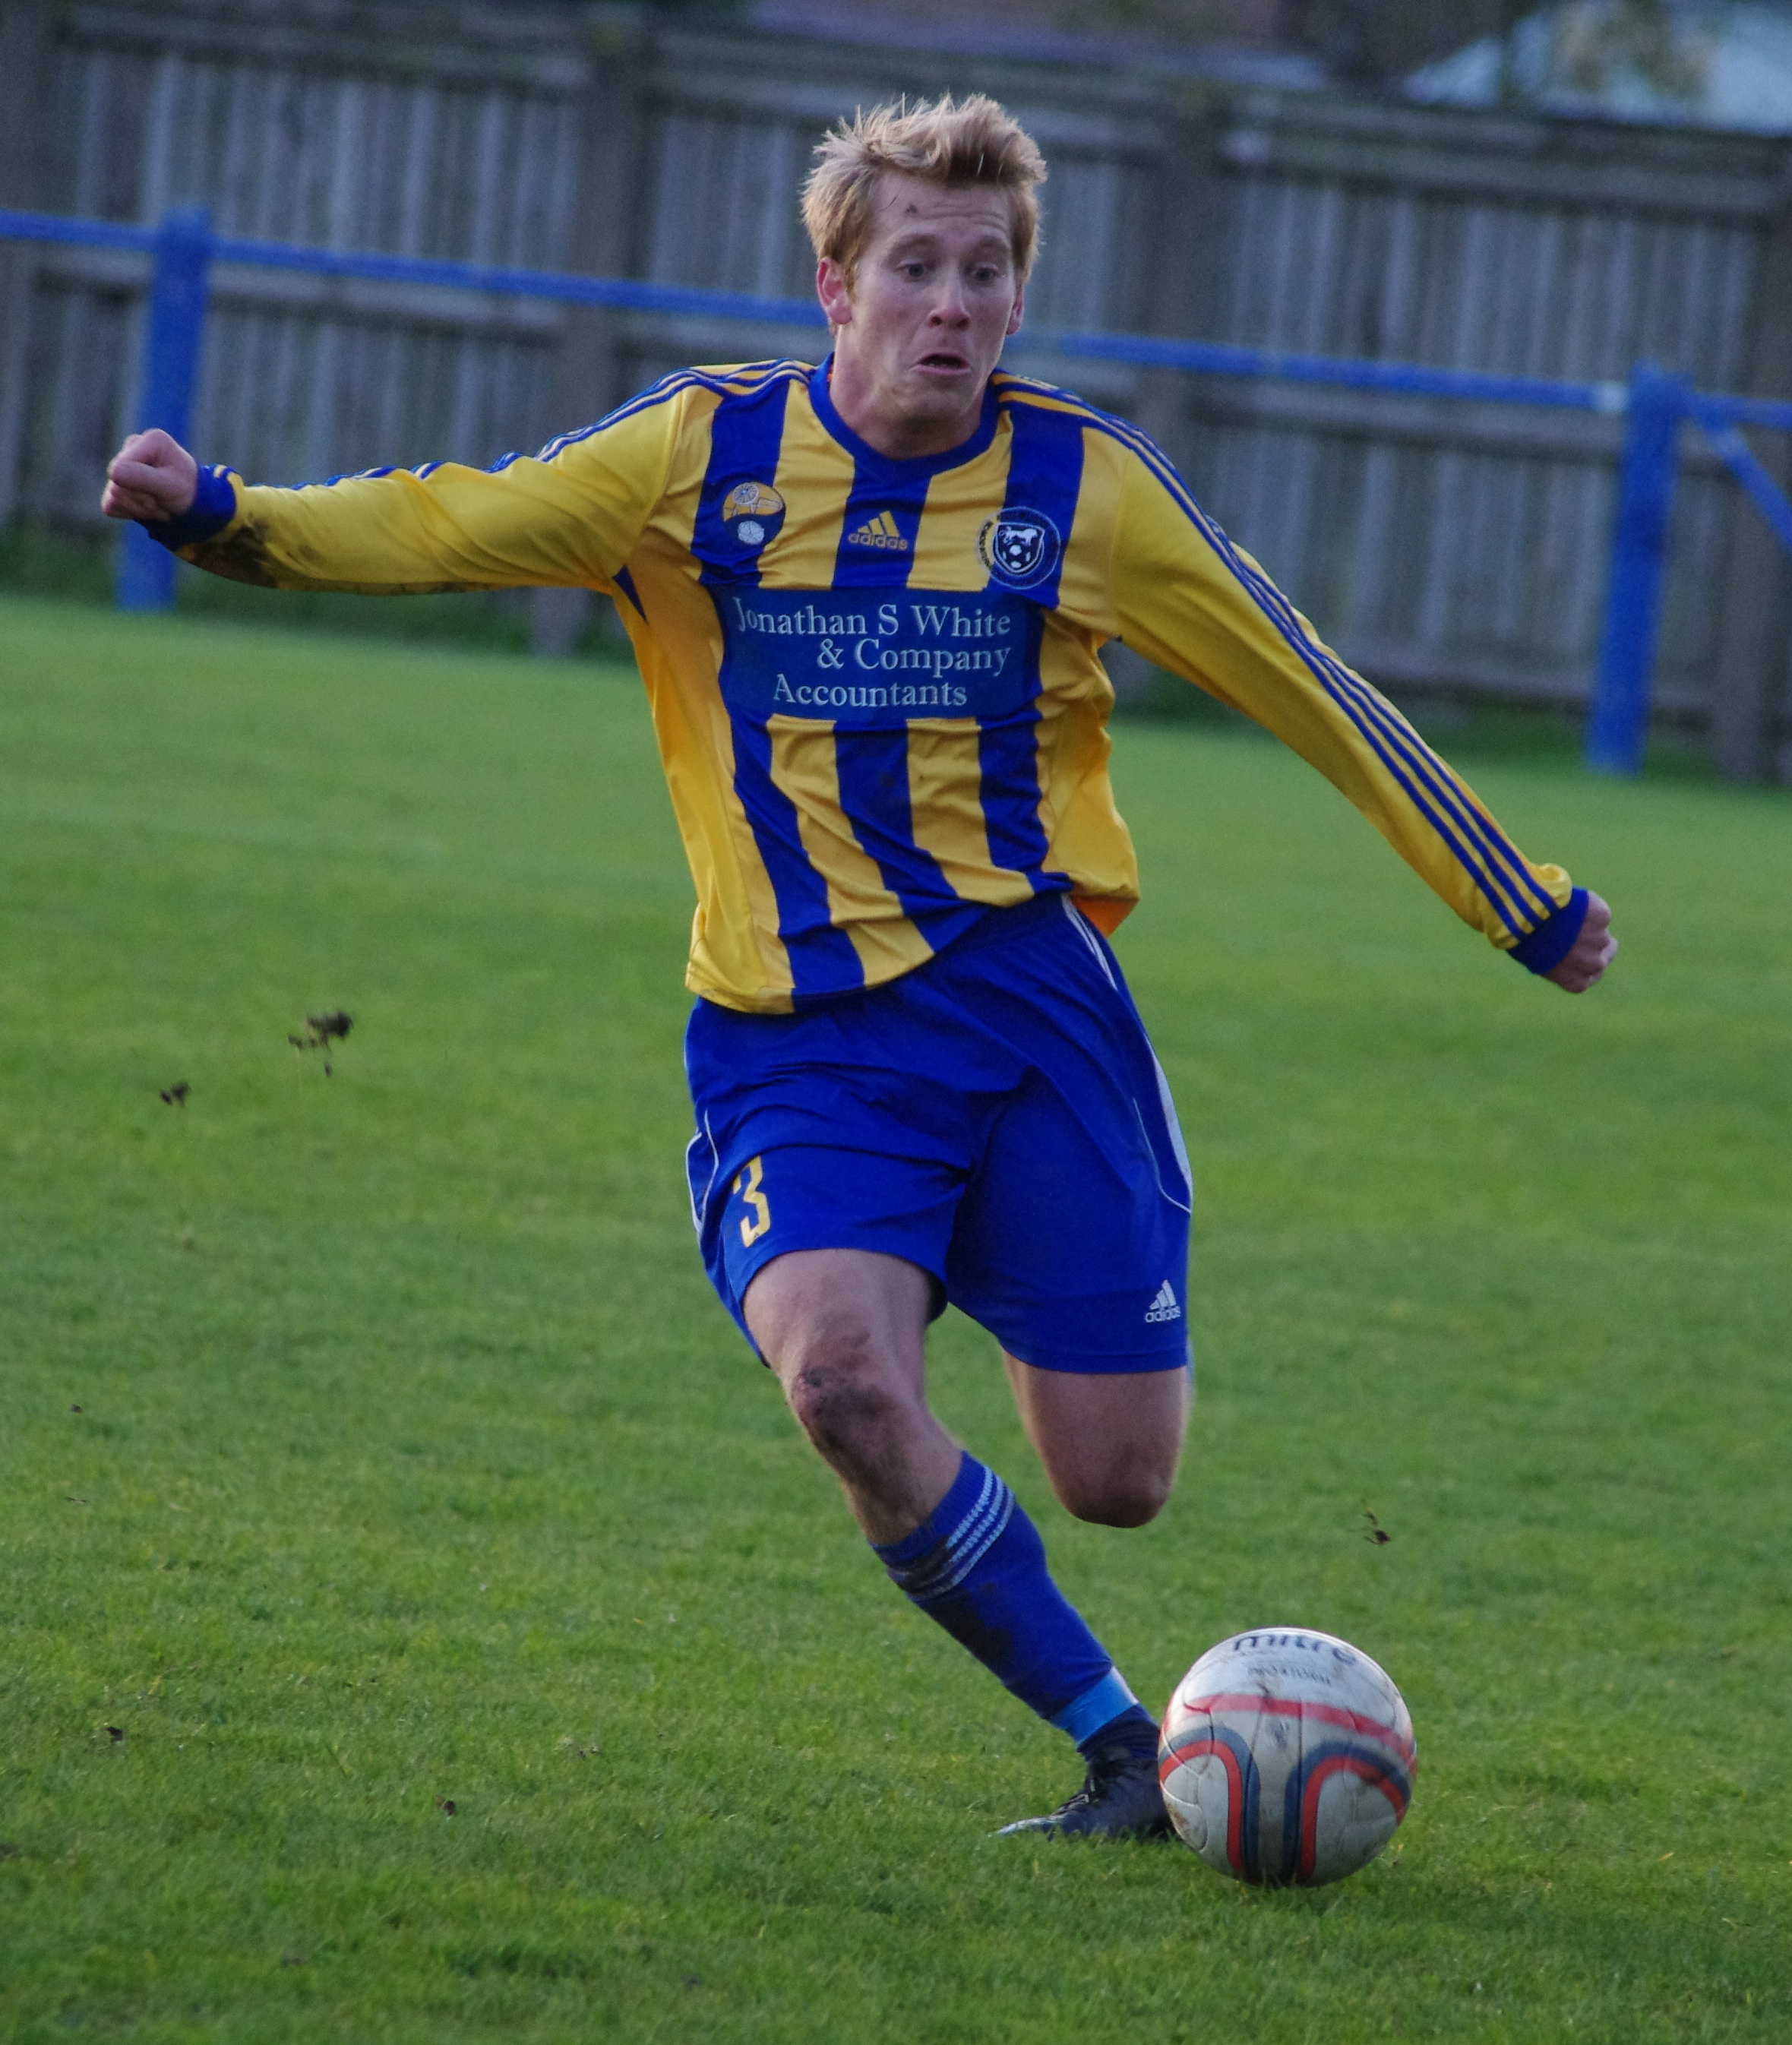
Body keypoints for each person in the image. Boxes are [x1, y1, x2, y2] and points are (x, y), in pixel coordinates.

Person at [102, 94, 1616, 1840]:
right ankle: (1125, 1746)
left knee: (1117, 1480)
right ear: (835, 284)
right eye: (917, 266)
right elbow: (454, 522)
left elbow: (1306, 680)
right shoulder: (699, 460)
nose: (954, 304)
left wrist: (1515, 895)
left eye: (986, 272)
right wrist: (225, 516)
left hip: (1032, 1015)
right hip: (794, 1038)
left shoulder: (1084, 486)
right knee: (839, 1383)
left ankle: (1021, 1241)